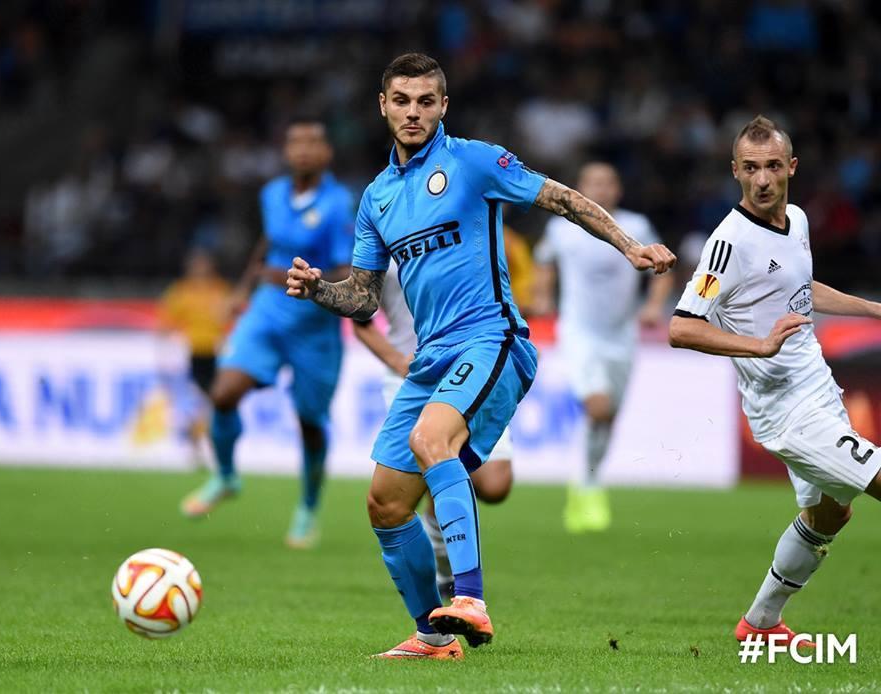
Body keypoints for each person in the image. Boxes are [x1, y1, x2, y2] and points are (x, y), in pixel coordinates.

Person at [286, 53, 675, 660]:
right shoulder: (377, 198)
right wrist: (318, 290)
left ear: (443, 106)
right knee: (385, 503)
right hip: (429, 359)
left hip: (491, 339)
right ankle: (433, 636)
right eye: (401, 101)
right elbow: (363, 296)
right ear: (383, 106)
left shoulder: (472, 161)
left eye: (425, 101)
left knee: (431, 440)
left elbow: (562, 199)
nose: (413, 112)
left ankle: (469, 597)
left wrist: (629, 246)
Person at [669, 116, 881, 646]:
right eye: (750, 168)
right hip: (784, 410)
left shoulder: (799, 220)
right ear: (735, 171)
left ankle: (760, 624)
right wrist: (759, 346)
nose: (762, 179)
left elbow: (799, 287)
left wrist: (872, 310)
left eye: (771, 166)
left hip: (818, 386)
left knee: (831, 512)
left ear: (791, 167)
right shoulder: (727, 244)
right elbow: (682, 327)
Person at [180, 117, 354, 551]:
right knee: (223, 393)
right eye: (295, 142)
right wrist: (244, 289)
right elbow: (268, 242)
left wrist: (309, 280)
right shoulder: (272, 194)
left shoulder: (338, 204)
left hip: (315, 325)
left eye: (312, 142)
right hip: (267, 312)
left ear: (326, 153)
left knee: (310, 423)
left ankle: (307, 508)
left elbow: (348, 269)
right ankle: (225, 476)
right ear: (286, 151)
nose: (303, 149)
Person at [353, 259, 514, 599]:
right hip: (413, 375)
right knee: (423, 470)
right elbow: (361, 319)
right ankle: (452, 581)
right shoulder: (383, 238)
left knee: (495, 485)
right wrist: (398, 361)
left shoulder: (470, 232)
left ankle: (448, 566)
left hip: (472, 363)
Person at [534, 162, 673, 533]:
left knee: (608, 415)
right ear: (579, 189)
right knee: (597, 406)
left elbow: (664, 270)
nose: (601, 189)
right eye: (593, 183)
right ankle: (587, 486)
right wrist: (542, 295)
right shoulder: (561, 228)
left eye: (608, 183)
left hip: (621, 335)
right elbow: (544, 263)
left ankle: (588, 483)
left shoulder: (637, 226)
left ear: (618, 189)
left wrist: (654, 306)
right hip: (579, 332)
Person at [158, 248, 231, 464]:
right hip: (193, 353)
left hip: (216, 353)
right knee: (202, 400)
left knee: (213, 401)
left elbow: (230, 317)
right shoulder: (182, 291)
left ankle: (202, 440)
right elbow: (167, 322)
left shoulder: (220, 289)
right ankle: (198, 441)